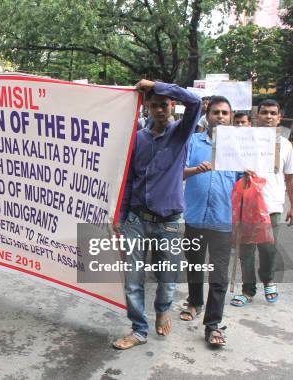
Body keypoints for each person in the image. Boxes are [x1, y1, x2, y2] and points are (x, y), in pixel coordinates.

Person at [112, 80, 202, 350]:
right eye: (155, 105)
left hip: (170, 222)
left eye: (165, 104)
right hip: (137, 220)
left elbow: (196, 102)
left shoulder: (180, 133)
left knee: (168, 276)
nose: (160, 110)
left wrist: (157, 85)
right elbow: (129, 179)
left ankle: (163, 308)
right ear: (147, 108)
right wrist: (121, 215)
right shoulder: (137, 139)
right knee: (133, 279)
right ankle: (139, 330)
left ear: (172, 105)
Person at [180, 96, 240, 347]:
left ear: (231, 117)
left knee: (219, 276)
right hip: (194, 216)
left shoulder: (239, 148)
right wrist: (195, 170)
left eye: (225, 112)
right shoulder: (193, 142)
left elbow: (246, 184)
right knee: (194, 265)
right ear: (208, 115)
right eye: (215, 112)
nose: (220, 116)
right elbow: (177, 170)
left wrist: (250, 174)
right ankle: (194, 302)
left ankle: (213, 324)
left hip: (223, 221)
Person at [230, 99, 293, 306]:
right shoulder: (243, 141)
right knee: (246, 251)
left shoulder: (285, 146)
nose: (268, 116)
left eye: (273, 113)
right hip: (246, 206)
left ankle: (268, 280)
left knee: (269, 249)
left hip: (272, 206)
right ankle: (247, 290)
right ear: (256, 117)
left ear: (279, 118)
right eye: (264, 112)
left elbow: (290, 177)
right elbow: (229, 168)